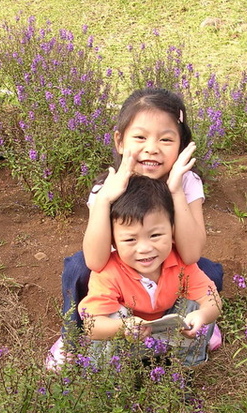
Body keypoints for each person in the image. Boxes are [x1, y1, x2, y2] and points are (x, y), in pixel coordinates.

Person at [61, 87, 224, 332]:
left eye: (166, 139)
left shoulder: (187, 183)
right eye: (140, 138)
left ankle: (189, 321)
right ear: (119, 142)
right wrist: (105, 199)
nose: (152, 148)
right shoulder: (108, 187)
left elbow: (190, 255)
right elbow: (96, 260)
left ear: (181, 146)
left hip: (167, 265)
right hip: (120, 272)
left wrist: (176, 191)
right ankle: (71, 335)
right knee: (77, 268)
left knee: (209, 271)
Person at [77, 175, 222, 367]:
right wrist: (123, 327)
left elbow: (213, 301)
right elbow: (91, 325)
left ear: (172, 231)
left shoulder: (181, 264)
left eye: (155, 235)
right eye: (130, 240)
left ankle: (187, 368)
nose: (145, 248)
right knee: (107, 324)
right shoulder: (108, 272)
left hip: (172, 336)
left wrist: (202, 316)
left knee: (196, 307)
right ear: (112, 240)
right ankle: (111, 383)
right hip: (128, 342)